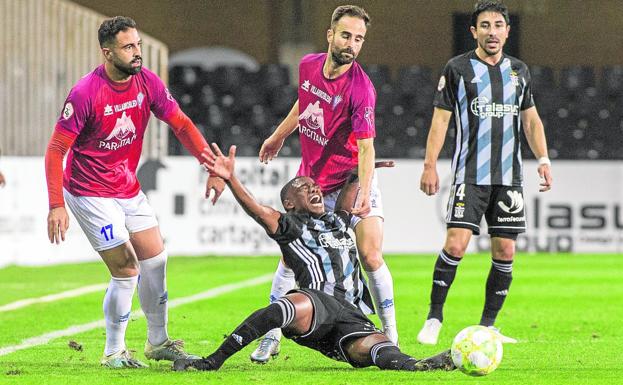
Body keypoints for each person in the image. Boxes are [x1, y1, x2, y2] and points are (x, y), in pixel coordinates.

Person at [173, 143, 453, 372]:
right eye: (304, 188)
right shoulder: (289, 226)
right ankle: (211, 362)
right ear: (290, 203)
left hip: (350, 314)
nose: (315, 189)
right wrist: (231, 178)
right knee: (289, 304)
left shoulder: (338, 221)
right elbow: (256, 210)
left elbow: (349, 190)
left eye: (315, 186)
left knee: (374, 349)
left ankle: (418, 367)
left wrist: (361, 172)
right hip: (315, 306)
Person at [44, 16, 224, 368]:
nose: (137, 53)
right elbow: (55, 150)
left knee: (155, 260)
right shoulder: (85, 93)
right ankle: (113, 351)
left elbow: (182, 124)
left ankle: (158, 342)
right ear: (107, 53)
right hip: (89, 192)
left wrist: (211, 165)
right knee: (127, 268)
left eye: (138, 44)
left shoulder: (147, 82)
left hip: (127, 187)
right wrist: (55, 205)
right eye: (129, 47)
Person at [255, 5, 398, 362]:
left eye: (359, 39)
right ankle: (270, 336)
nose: (352, 44)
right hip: (314, 188)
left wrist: (364, 192)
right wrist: (277, 136)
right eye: (347, 35)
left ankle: (391, 336)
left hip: (351, 182)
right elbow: (304, 104)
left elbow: (367, 147)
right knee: (289, 260)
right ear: (330, 35)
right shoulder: (307, 66)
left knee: (370, 254)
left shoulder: (361, 89)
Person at [416, 0, 553, 345]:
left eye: (498, 25)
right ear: (474, 31)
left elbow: (531, 119)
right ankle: (434, 317)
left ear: (508, 31)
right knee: (457, 243)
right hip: (469, 175)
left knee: (505, 251)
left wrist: (544, 159)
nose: (492, 32)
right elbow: (440, 121)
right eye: (485, 26)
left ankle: (488, 325)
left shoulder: (519, 71)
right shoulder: (458, 69)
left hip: (510, 178)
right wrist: (430, 165)